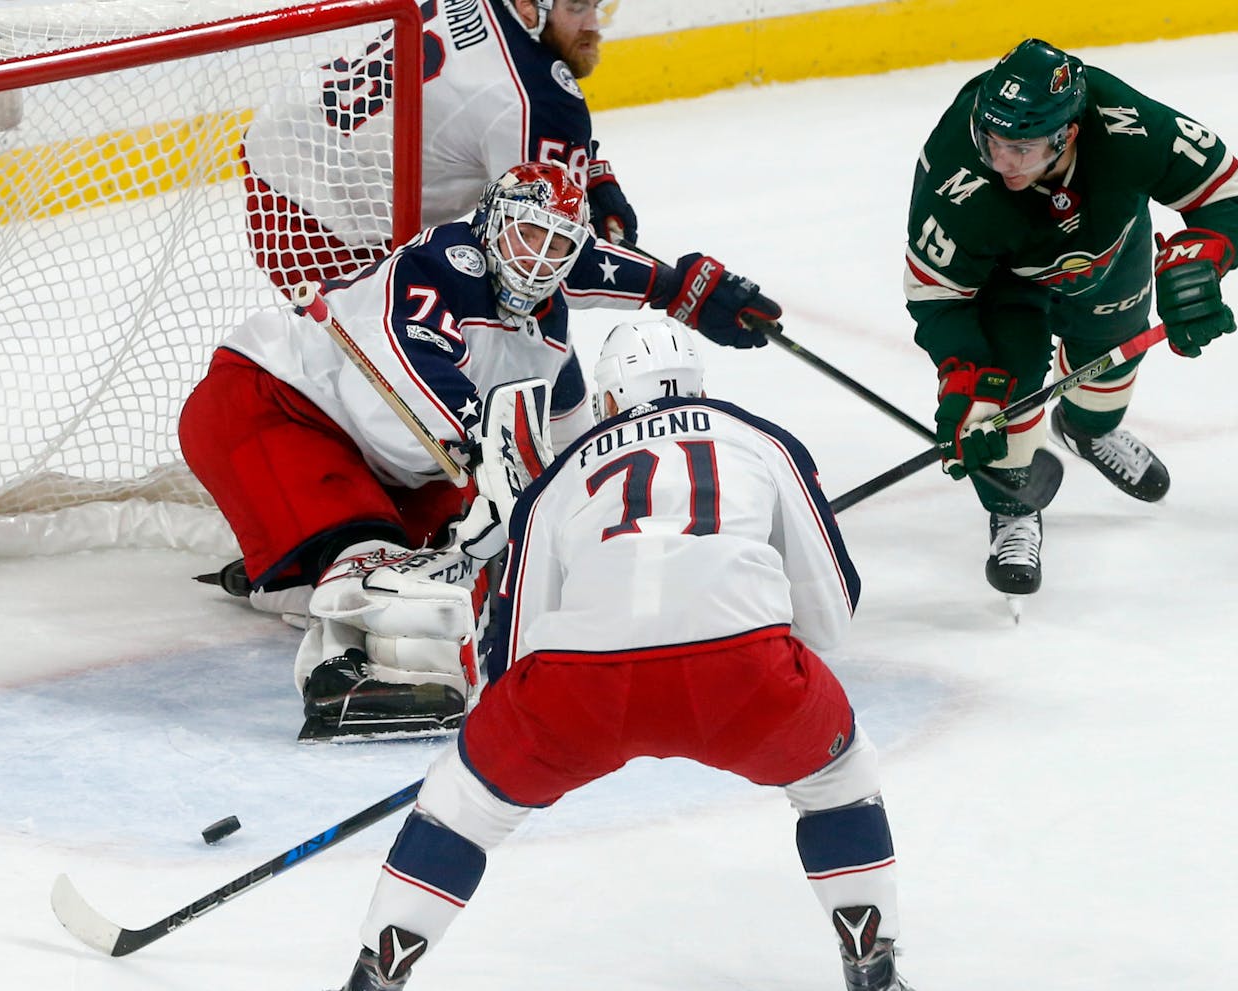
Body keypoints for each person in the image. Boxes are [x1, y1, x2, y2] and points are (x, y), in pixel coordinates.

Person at [328, 317, 913, 991]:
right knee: (838, 781)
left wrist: (491, 764)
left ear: (606, 399)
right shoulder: (760, 439)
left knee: (461, 805)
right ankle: (873, 969)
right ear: (697, 384)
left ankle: (376, 975)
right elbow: (832, 616)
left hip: (581, 687)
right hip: (746, 677)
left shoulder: (558, 480)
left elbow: (513, 658)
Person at [179, 161, 782, 741]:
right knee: (373, 550)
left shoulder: (549, 345)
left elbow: (568, 471)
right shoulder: (438, 263)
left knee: (470, 549)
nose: (537, 260)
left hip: (393, 463)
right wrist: (484, 443)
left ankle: (296, 579)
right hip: (272, 404)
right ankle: (334, 673)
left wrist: (680, 289)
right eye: (527, 237)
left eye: (557, 248)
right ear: (492, 223)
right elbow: (409, 365)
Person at [901, 38, 1238, 596]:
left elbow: (1230, 193)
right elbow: (938, 295)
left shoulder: (1129, 128)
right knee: (1000, 400)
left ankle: (1087, 430)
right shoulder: (958, 174)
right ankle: (1012, 509)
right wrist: (963, 372)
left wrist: (1202, 259)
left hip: (1112, 257)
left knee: (1107, 372)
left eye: (1020, 150)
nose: (1001, 162)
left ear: (1067, 134)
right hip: (1004, 287)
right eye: (992, 142)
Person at [241, 0, 642, 294]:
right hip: (324, 220)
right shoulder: (539, 98)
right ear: (526, 8)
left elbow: (489, 110)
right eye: (576, 8)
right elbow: (546, 266)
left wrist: (591, 173)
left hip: (289, 135)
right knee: (468, 335)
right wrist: (673, 289)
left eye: (595, 5)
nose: (593, 24)